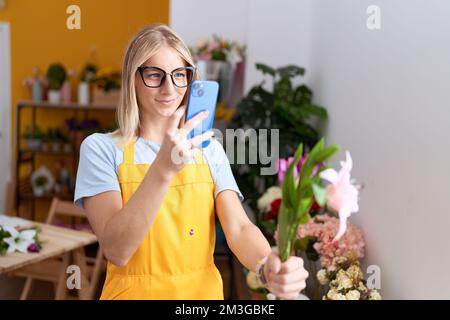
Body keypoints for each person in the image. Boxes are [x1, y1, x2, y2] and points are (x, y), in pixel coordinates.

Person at [74, 24, 308, 300]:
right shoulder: (101, 149)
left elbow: (240, 228)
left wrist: (267, 267)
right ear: (132, 79)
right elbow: (117, 249)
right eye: (154, 75)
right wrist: (163, 169)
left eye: (179, 75)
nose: (169, 88)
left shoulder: (209, 150)